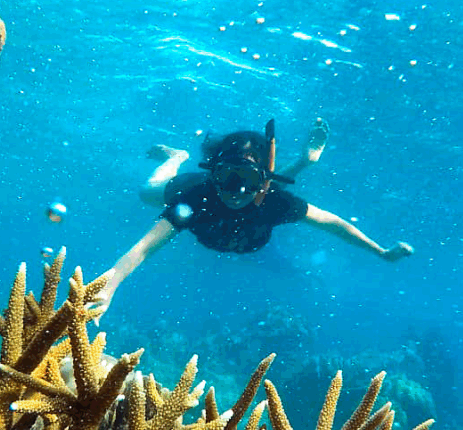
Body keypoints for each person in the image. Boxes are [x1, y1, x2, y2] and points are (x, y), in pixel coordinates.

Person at [90, 119, 413, 317]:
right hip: (193, 191)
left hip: (255, 220)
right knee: (146, 193)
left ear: (262, 180)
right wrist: (110, 285)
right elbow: (143, 248)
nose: (236, 190)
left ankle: (303, 162)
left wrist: (380, 251)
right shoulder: (195, 199)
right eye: (228, 176)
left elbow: (332, 222)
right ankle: (178, 157)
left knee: (267, 197)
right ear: (213, 173)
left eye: (247, 178)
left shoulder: (272, 200)